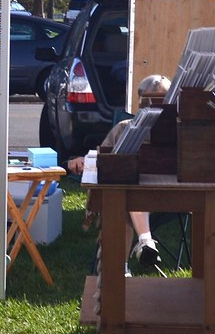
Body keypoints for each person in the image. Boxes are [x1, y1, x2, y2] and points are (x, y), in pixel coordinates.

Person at [66, 74, 171, 270]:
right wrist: (84, 160)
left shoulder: (179, 131)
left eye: (161, 101)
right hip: (134, 196)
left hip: (168, 196)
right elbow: (103, 159)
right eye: (150, 101)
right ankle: (132, 256)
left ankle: (131, 255)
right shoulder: (124, 128)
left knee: (121, 198)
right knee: (120, 202)